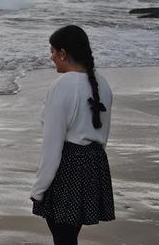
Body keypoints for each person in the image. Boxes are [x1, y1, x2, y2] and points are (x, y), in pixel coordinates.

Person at [30, 25, 115, 245]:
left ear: (63, 53)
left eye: (52, 52)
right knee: (68, 236)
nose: (51, 58)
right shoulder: (102, 83)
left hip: (68, 167)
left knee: (62, 237)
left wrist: (39, 188)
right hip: (95, 163)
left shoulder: (62, 85)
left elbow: (52, 143)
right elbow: (103, 134)